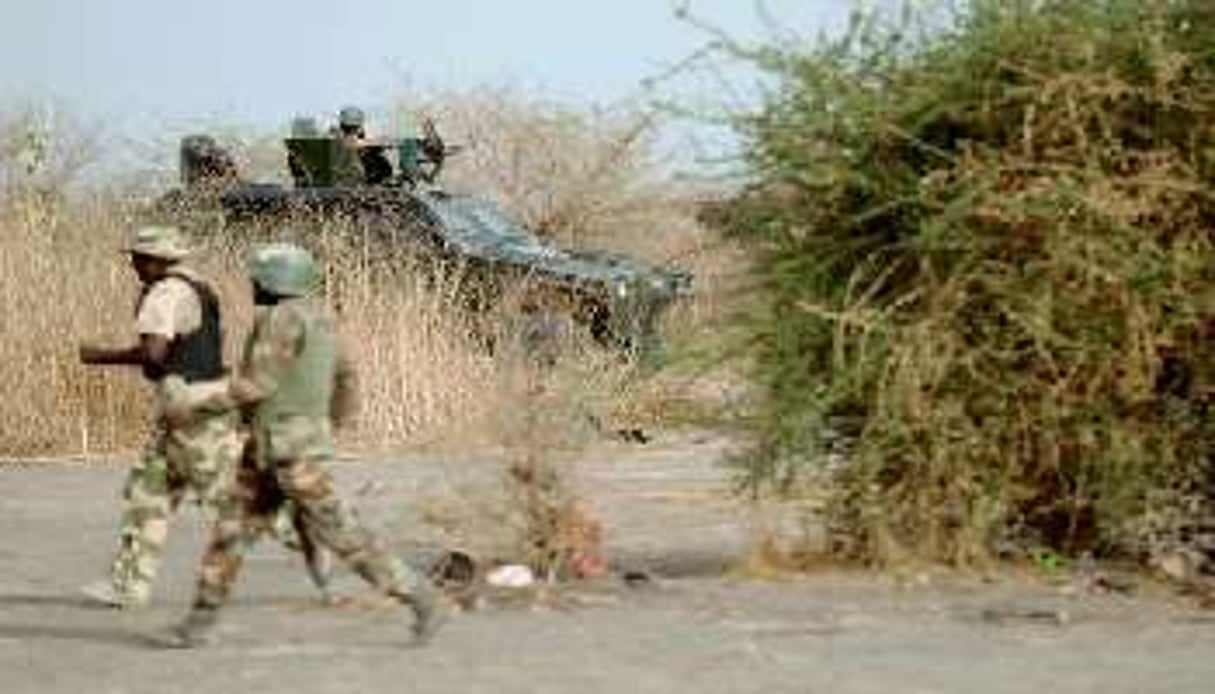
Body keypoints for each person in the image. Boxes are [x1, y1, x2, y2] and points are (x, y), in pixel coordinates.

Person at [166, 242, 444, 647]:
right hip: (280, 449)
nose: (252, 286)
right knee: (232, 531)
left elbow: (256, 385)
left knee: (341, 533)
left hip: (287, 454)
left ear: (273, 282)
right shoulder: (322, 319)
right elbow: (347, 378)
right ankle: (199, 623)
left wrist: (192, 402)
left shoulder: (280, 318)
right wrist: (327, 425)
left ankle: (420, 596)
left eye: (257, 279)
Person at [77, 225, 244, 608]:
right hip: (195, 403)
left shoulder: (165, 294)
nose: (133, 265)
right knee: (149, 494)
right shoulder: (199, 286)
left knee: (230, 497)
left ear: (155, 260)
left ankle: (325, 538)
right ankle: (129, 584)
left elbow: (153, 354)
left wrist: (100, 356)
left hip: (192, 407)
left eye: (138, 258)